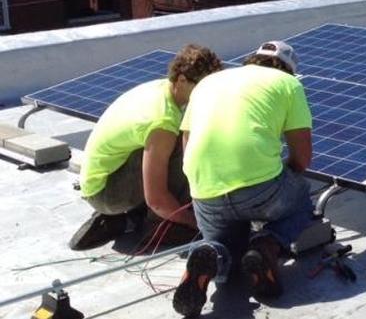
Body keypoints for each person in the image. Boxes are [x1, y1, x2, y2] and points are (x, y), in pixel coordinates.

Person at [173, 41, 314, 317]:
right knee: (302, 200)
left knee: (227, 246)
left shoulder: (208, 82)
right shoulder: (288, 84)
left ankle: (210, 256)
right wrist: (281, 177)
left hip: (205, 189)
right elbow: (302, 158)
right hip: (260, 190)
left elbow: (187, 144)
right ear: (288, 69)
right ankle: (267, 246)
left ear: (251, 60)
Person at [70, 44, 223, 251]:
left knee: (175, 139)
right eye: (202, 87)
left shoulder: (161, 88)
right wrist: (198, 223)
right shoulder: (163, 121)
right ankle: (159, 226)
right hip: (107, 193)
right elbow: (156, 199)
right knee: (186, 141)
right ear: (182, 80)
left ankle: (123, 221)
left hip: (100, 183)